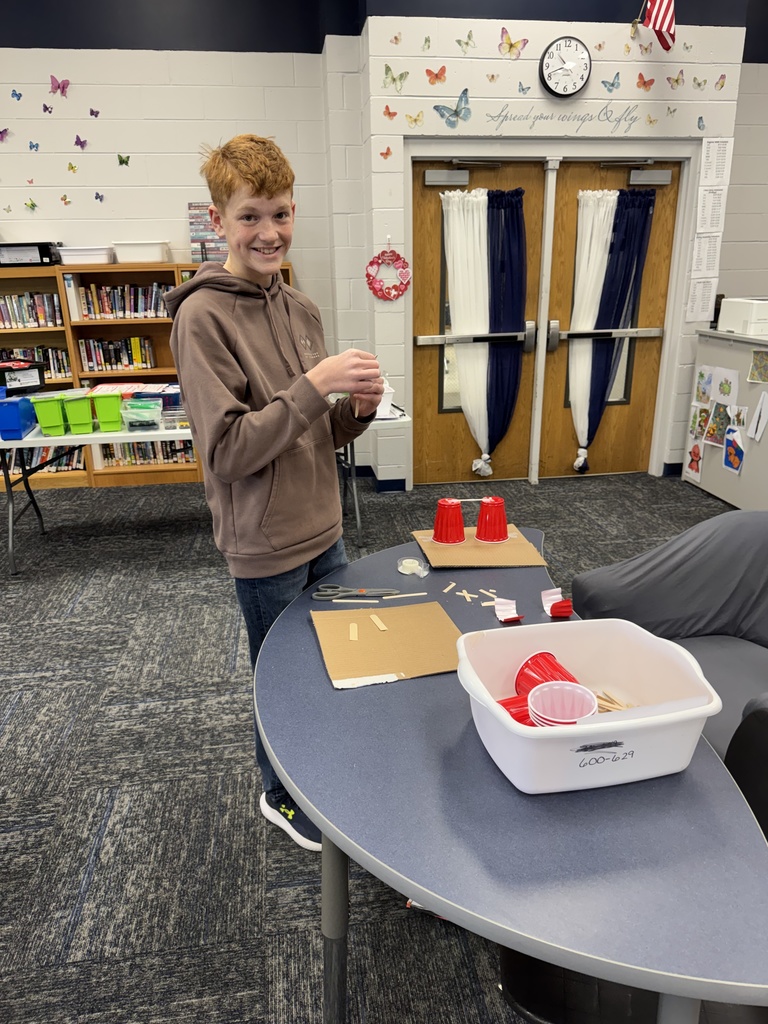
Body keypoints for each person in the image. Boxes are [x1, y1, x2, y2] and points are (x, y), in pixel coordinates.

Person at [165, 134, 384, 851]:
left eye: (282, 214)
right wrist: (312, 388)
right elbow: (229, 451)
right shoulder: (201, 318)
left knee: (335, 665)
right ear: (219, 218)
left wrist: (357, 406)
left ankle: (320, 769)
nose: (270, 232)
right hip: (264, 540)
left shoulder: (303, 309)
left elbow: (313, 434)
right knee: (280, 677)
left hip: (324, 526)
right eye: (251, 215)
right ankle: (279, 791)